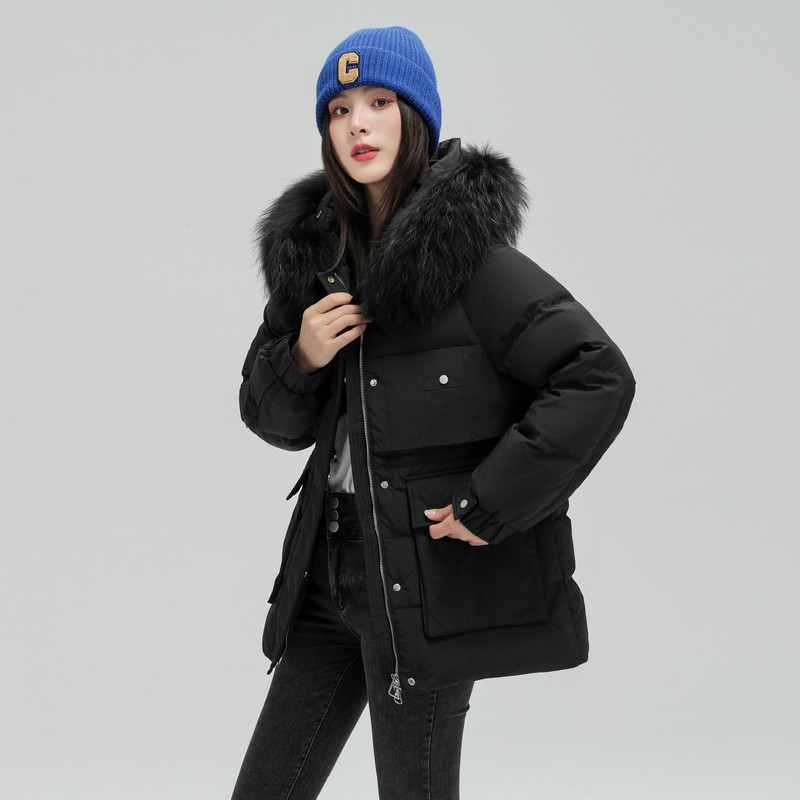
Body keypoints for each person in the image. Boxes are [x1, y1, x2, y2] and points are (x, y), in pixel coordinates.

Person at [232, 26, 635, 800]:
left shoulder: (474, 264)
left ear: (415, 115)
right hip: (324, 573)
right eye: (339, 109)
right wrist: (300, 357)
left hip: (422, 584)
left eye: (379, 102)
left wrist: (492, 504)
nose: (357, 123)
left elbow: (596, 376)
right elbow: (270, 420)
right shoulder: (317, 261)